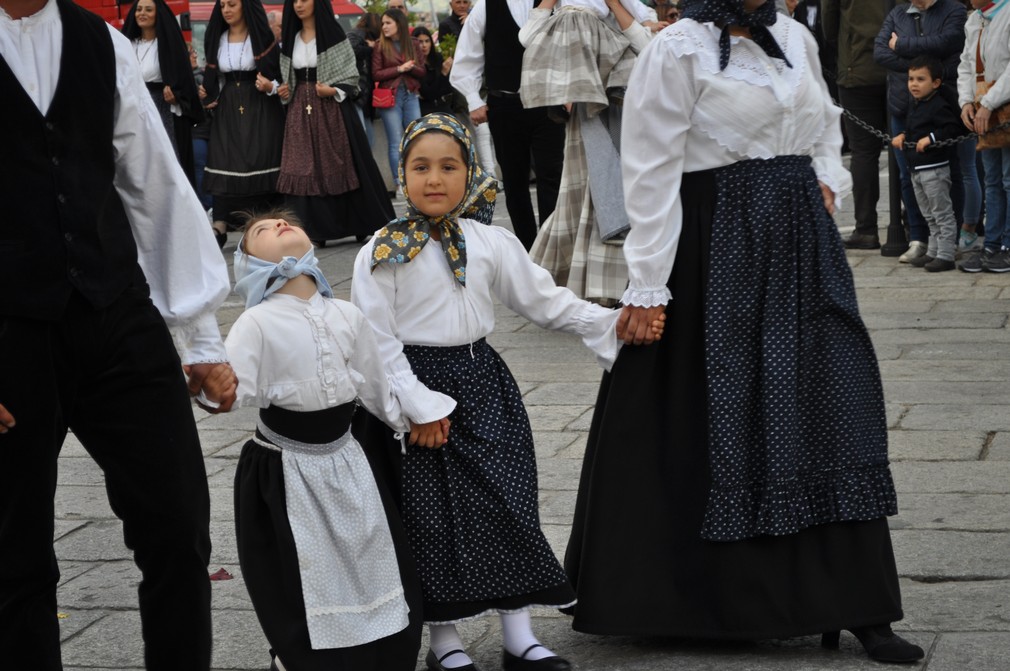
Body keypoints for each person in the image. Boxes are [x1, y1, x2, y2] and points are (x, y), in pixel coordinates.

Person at [563, 0, 925, 665]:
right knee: (717, 408)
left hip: (799, 244)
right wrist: (648, 284)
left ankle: (859, 603)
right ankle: (696, 599)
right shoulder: (676, 50)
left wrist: (825, 180)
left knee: (832, 403)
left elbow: (822, 124)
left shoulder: (794, 36)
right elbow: (649, 172)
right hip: (713, 242)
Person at [350, 114, 660, 671]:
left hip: (484, 384)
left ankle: (519, 636)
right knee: (431, 518)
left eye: (450, 166)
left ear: (470, 173)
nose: (435, 179)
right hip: (418, 391)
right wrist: (415, 408)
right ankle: (443, 643)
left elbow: (544, 299)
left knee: (508, 501)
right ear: (401, 175)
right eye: (420, 167)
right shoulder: (382, 250)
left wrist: (608, 322)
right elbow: (374, 341)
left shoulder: (490, 240)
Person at [0, 0, 239, 668]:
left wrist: (200, 336)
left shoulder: (101, 42)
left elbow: (155, 182)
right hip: (9, 334)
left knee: (177, 523)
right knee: (13, 555)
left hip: (116, 314)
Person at [225, 209, 451, 671]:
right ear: (250, 266)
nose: (278, 225)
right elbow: (230, 388)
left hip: (347, 460)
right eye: (262, 231)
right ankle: (302, 656)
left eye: (285, 222)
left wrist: (410, 419)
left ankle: (380, 652)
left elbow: (374, 383)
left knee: (368, 554)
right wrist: (209, 387)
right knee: (303, 571)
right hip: (285, 466)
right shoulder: (256, 323)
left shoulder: (346, 313)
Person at [526, 0, 653, 306]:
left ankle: (613, 284)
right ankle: (582, 284)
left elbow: (645, 44)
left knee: (611, 190)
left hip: (622, 110)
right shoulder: (563, 10)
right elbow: (529, 37)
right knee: (585, 193)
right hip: (586, 115)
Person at [450, 0, 566, 250]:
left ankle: (550, 248)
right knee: (514, 182)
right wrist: (473, 99)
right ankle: (527, 249)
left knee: (552, 177)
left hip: (549, 101)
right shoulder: (485, 7)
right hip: (505, 104)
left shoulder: (556, 3)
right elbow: (466, 57)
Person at [275, 0, 394, 245]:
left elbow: (351, 77)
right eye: (295, 0)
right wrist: (285, 91)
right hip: (300, 108)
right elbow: (289, 76)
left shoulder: (333, 35)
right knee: (302, 162)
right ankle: (312, 228)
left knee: (338, 160)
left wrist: (333, 90)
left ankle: (358, 222)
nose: (299, 5)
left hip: (331, 109)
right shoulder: (292, 38)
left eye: (304, 0)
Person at [874, 0, 968, 264]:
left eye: (921, 77)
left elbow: (948, 45)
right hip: (903, 106)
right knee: (909, 177)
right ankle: (920, 239)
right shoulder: (897, 12)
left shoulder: (954, 10)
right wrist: (922, 70)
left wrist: (901, 46)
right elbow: (880, 51)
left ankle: (952, 241)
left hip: (942, 107)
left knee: (952, 175)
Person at [201, 0, 286, 239]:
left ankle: (267, 220)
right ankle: (220, 223)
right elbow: (214, 77)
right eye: (223, 5)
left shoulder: (261, 38)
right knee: (224, 158)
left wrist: (271, 86)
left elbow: (280, 74)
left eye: (232, 4)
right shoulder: (217, 37)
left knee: (260, 156)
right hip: (228, 104)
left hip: (259, 104)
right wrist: (209, 95)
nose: (227, 10)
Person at [823, 0, 888, 249]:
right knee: (906, 148)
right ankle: (913, 225)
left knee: (863, 152)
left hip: (856, 64)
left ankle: (866, 228)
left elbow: (829, 24)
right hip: (902, 61)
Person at [892, 56, 967, 272]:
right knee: (929, 214)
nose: (914, 84)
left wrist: (932, 138)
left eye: (920, 79)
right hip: (916, 169)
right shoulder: (915, 104)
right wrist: (904, 135)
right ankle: (933, 251)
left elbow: (951, 128)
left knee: (942, 213)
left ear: (935, 82)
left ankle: (946, 255)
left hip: (934, 169)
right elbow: (916, 128)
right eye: (911, 79)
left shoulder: (938, 105)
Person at [517, 0, 653, 118]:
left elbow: (645, 46)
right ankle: (562, 97)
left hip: (595, 28)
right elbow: (526, 37)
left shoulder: (608, 26)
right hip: (566, 22)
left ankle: (611, 87)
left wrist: (645, 21)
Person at [122, 0, 204, 184]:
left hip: (161, 109)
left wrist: (176, 97)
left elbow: (183, 82)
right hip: (133, 110)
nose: (142, 13)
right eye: (139, 9)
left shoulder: (168, 45)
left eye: (148, 10)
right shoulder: (128, 44)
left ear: (157, 14)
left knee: (164, 167)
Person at [957, 0, 1010, 272]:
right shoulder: (974, 20)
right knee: (992, 180)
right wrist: (967, 101)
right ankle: (992, 243)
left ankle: (1007, 246)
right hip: (985, 107)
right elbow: (966, 64)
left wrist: (988, 103)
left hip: (1002, 106)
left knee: (1009, 179)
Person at [372, 9, 425, 197]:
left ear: (398, 24)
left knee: (416, 138)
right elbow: (376, 74)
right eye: (383, 23)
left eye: (388, 23)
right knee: (396, 141)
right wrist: (399, 68)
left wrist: (410, 68)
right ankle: (399, 183)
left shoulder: (413, 44)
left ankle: (418, 179)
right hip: (390, 96)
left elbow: (422, 71)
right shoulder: (380, 46)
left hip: (410, 94)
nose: (384, 26)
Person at [348, 12, 383, 146]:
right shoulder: (358, 34)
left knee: (368, 137)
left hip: (363, 92)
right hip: (358, 90)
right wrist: (369, 48)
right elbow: (352, 51)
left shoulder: (362, 35)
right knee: (363, 137)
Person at [414, 26, 455, 115]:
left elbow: (446, 88)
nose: (424, 45)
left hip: (443, 104)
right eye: (420, 42)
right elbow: (427, 94)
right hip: (425, 108)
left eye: (427, 41)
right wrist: (443, 73)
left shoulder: (438, 58)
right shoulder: (414, 65)